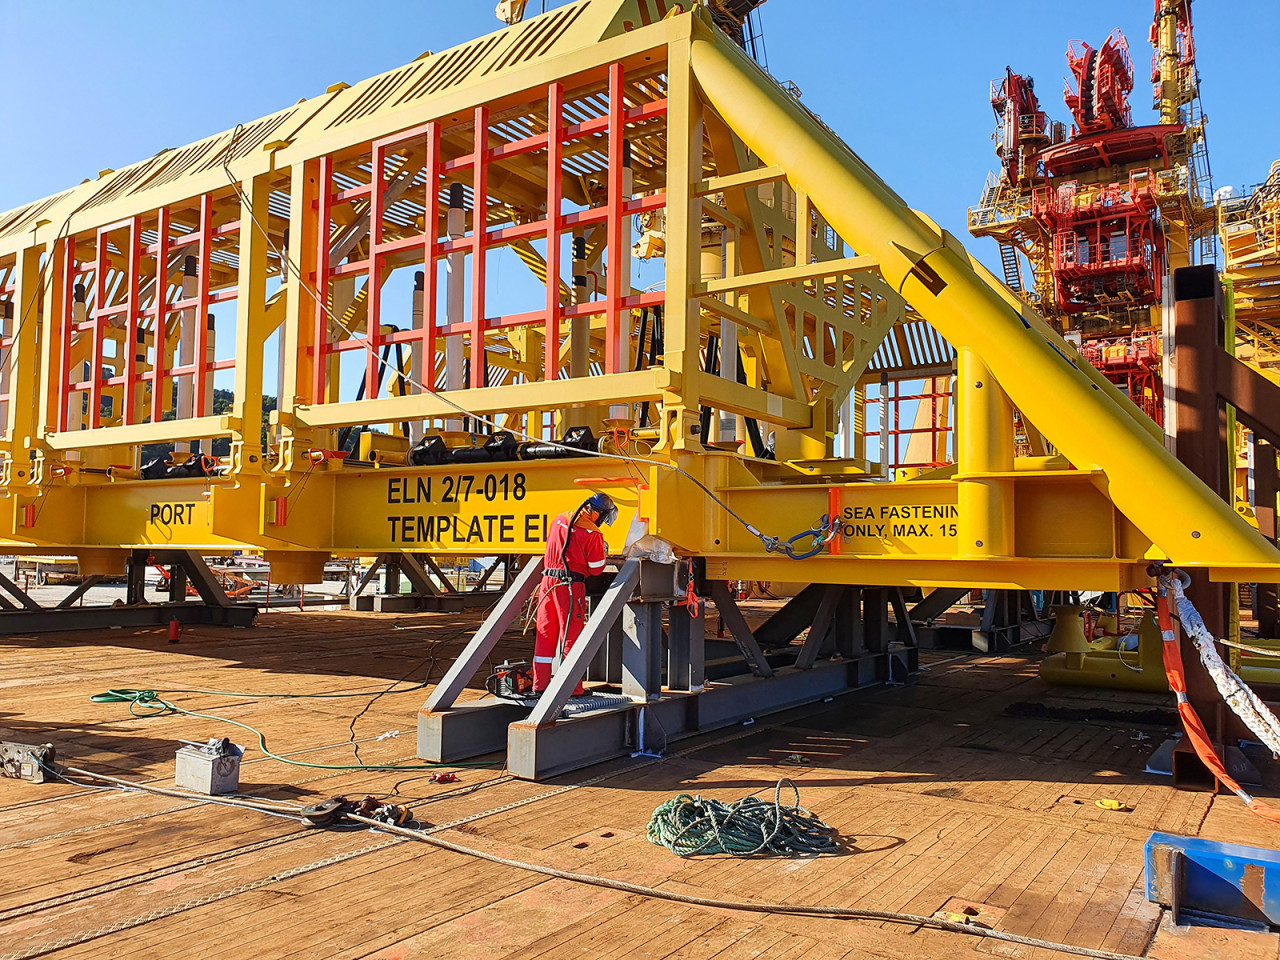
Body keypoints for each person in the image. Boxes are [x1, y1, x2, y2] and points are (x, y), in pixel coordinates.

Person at [532, 492, 617, 695]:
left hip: (547, 583)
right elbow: (596, 569)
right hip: (570, 587)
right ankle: (572, 688)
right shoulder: (592, 533)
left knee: (545, 634)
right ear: (598, 513)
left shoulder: (560, 519)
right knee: (571, 636)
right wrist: (602, 551)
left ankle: (539, 685)